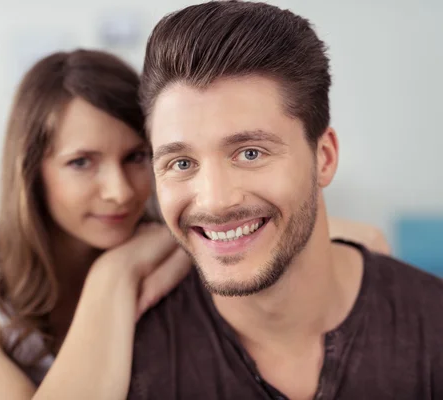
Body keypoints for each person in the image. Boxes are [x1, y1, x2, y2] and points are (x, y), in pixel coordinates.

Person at [0, 49, 391, 400]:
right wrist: (114, 276)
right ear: (32, 173)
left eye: (137, 157)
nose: (119, 191)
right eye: (82, 163)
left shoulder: (173, 248)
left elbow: (366, 240)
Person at [128, 2, 443, 400]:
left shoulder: (434, 327)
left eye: (250, 153)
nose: (216, 201)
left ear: (324, 157)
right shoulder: (131, 362)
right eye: (182, 162)